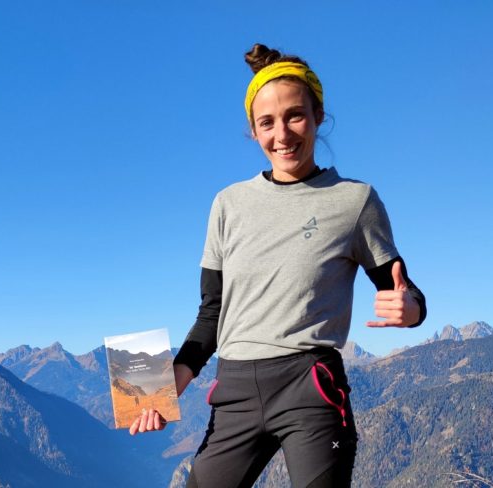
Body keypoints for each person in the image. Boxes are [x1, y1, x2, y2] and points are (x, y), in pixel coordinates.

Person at [129, 43, 426, 488]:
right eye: (267, 122)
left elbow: (405, 290)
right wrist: (163, 389)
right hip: (235, 390)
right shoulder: (228, 204)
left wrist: (411, 310)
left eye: (295, 116)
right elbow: (212, 314)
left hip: (311, 387)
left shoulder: (355, 201)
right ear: (253, 130)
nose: (282, 134)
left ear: (318, 116)